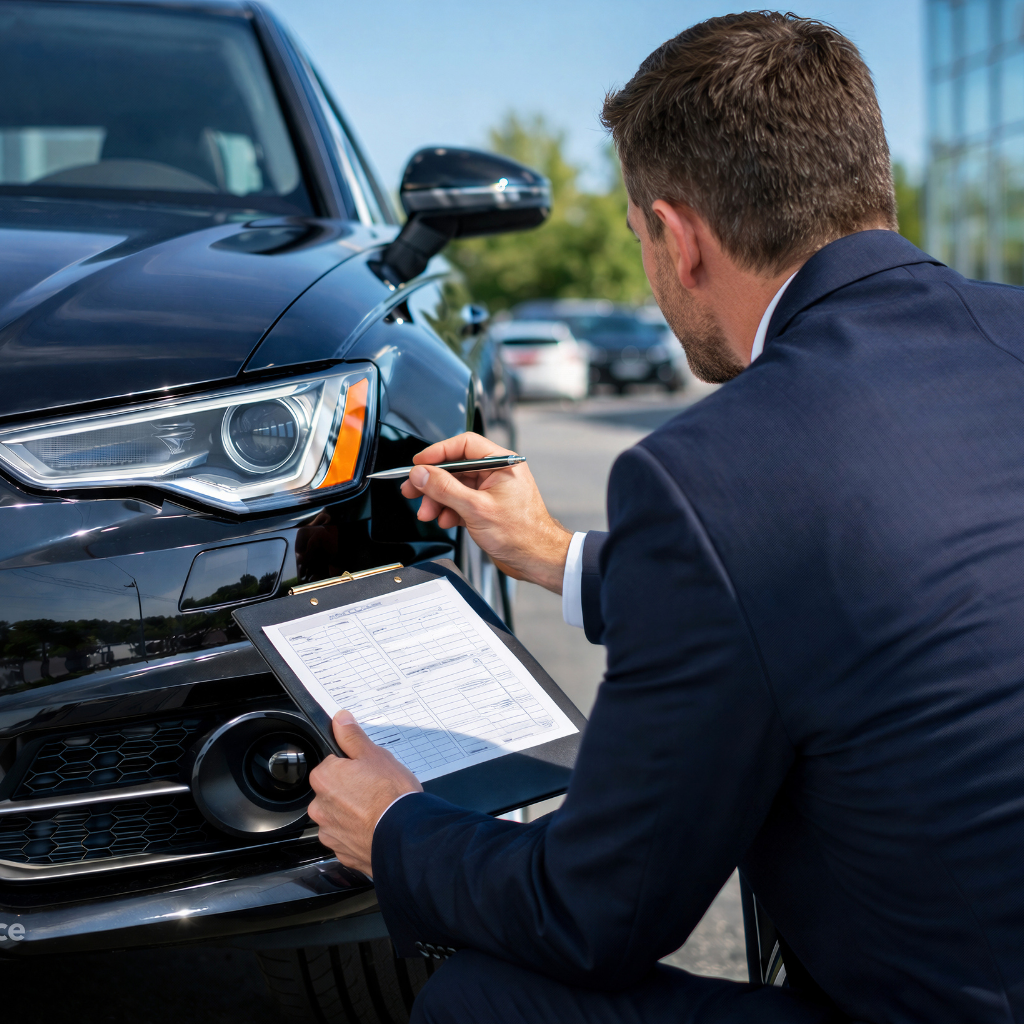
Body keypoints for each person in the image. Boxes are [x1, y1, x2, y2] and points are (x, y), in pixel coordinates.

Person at [308, 11, 1024, 1023]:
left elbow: (596, 912)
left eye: (641, 236)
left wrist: (394, 827)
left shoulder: (713, 472)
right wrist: (561, 557)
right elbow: (886, 559)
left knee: (485, 1003)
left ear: (678, 238)